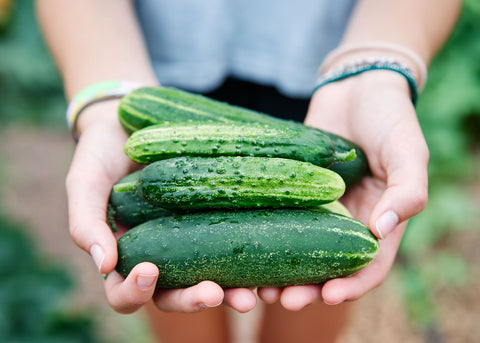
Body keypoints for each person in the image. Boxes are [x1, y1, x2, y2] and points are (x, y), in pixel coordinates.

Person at [36, 0, 461, 342]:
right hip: (157, 70)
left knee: (313, 298)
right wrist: (105, 97)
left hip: (327, 86)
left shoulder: (325, 139)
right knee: (177, 295)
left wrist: (376, 68)